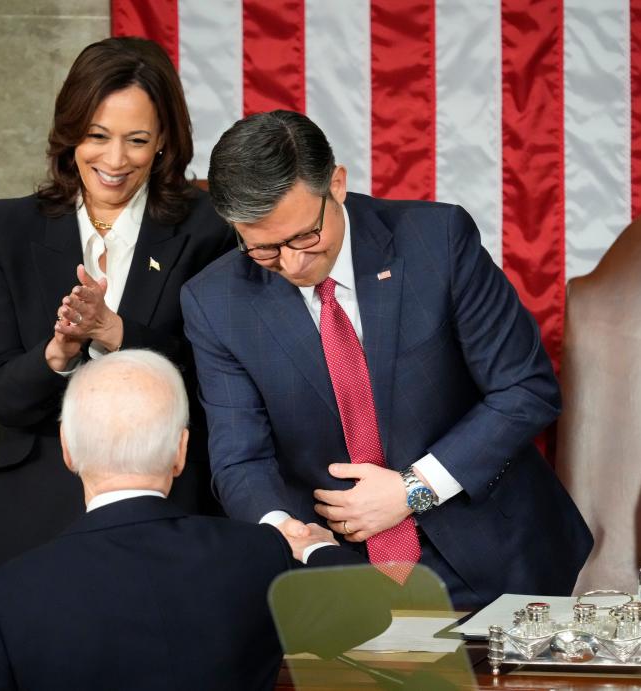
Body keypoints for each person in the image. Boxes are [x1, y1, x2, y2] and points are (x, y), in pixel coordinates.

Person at [181, 110, 594, 608]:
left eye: (305, 237)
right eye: (264, 251)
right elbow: (241, 457)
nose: (292, 264)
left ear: (336, 184)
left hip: (495, 557)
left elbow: (526, 388)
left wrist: (412, 490)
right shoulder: (215, 302)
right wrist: (285, 533)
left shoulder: (437, 242)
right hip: (339, 576)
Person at [0, 37, 233, 579]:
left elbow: (220, 381)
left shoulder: (210, 228)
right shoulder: (9, 227)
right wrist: (59, 352)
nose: (114, 161)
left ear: (163, 140)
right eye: (97, 136)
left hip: (168, 495)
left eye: (136, 140)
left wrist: (116, 332)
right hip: (36, 500)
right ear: (70, 135)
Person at [0, 351, 361, 691]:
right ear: (180, 451)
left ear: (67, 449)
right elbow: (367, 610)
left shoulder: (4, 596)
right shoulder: (258, 554)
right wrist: (312, 545)